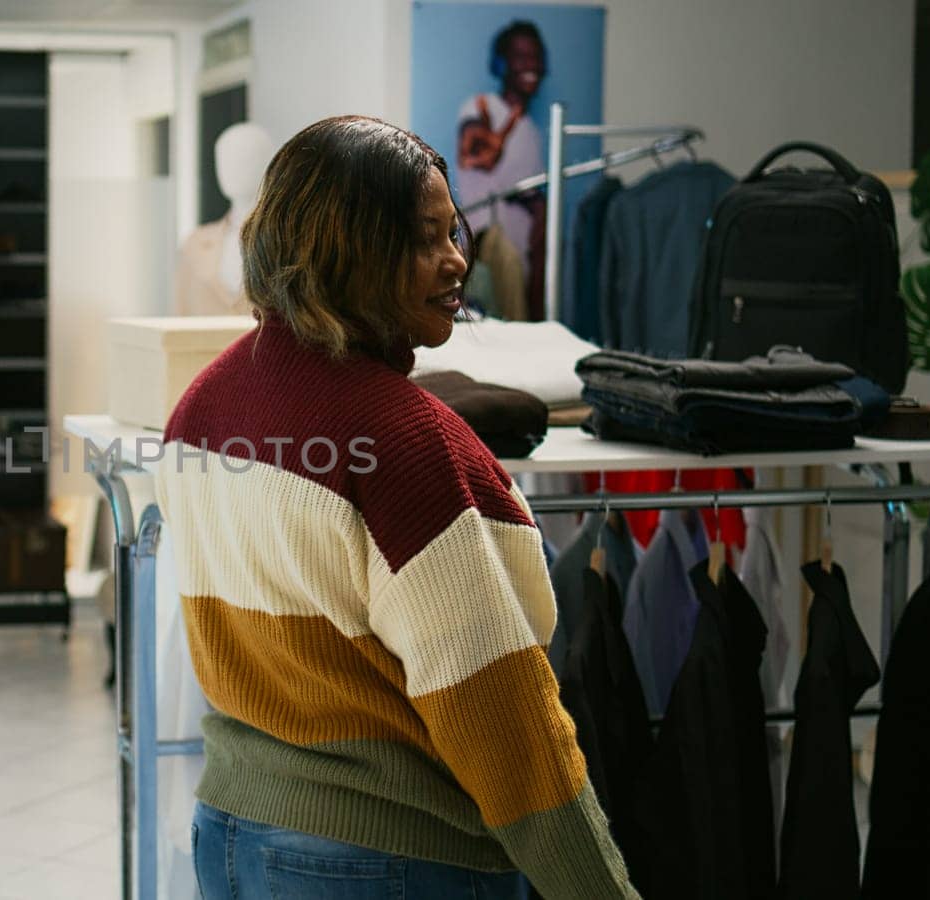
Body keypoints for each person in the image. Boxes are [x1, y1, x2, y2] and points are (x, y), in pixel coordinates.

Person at [155, 116, 636, 899]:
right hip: (389, 858)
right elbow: (504, 721)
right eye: (422, 240)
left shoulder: (201, 407)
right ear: (347, 246)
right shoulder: (406, 443)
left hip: (233, 835)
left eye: (455, 232)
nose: (456, 260)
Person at [456, 19, 549, 311]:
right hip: (490, 245)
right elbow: (478, 151)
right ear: (500, 64)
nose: (530, 64)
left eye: (535, 56)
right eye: (520, 56)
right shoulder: (479, 106)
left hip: (525, 253)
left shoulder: (532, 130)